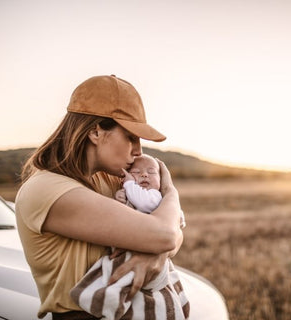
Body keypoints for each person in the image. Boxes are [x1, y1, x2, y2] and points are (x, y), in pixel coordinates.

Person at [15, 75, 184, 320]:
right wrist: (171, 191)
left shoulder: (109, 180)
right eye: (131, 137)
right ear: (96, 132)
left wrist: (155, 254)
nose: (138, 150)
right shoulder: (47, 190)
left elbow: (173, 228)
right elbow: (166, 234)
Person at [70, 154, 189, 319]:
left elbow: (144, 204)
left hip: (143, 251)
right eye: (136, 172)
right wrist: (121, 198)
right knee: (114, 275)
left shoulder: (156, 197)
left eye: (151, 172)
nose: (144, 175)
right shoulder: (132, 193)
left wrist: (129, 183)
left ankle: (108, 302)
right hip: (126, 248)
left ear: (161, 181)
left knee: (128, 280)